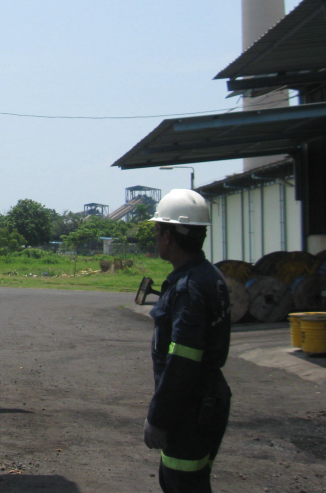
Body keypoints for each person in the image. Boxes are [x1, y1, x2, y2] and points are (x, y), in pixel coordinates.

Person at [143, 189, 231, 493]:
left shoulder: (188, 288)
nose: (156, 238)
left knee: (183, 483)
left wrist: (158, 417)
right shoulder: (209, 275)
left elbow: (182, 361)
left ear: (168, 236)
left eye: (157, 231)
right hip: (205, 398)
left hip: (190, 407)